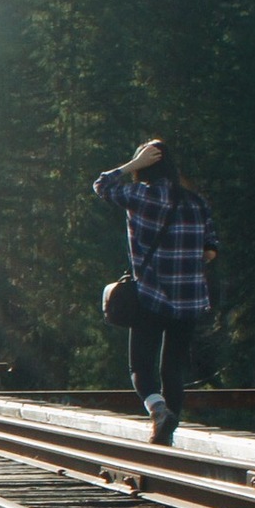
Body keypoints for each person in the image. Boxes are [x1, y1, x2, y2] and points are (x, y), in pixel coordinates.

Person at [95, 138, 219, 445]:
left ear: (147, 166)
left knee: (140, 365)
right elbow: (211, 252)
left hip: (150, 295)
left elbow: (102, 185)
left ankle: (158, 410)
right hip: (189, 299)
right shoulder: (196, 202)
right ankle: (167, 433)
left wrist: (132, 164)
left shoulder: (140, 195)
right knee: (173, 367)